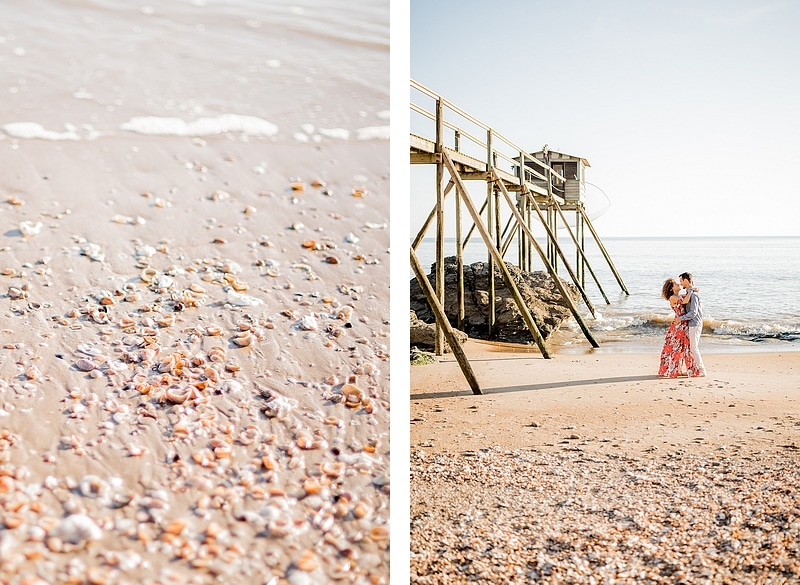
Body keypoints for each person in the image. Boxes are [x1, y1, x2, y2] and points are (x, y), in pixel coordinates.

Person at [658, 278, 699, 378]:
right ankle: (673, 370)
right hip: (678, 325)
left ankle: (685, 370)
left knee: (684, 347)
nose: (679, 284)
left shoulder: (678, 296)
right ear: (672, 288)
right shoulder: (673, 297)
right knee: (676, 347)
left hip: (683, 323)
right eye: (676, 284)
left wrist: (692, 289)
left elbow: (689, 297)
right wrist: (691, 290)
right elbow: (685, 301)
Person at [676, 272, 706, 377]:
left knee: (694, 348)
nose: (680, 283)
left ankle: (702, 370)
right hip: (692, 324)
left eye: (681, 281)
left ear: (686, 280)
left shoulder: (694, 294)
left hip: (694, 323)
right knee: (692, 348)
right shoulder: (690, 292)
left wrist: (681, 318)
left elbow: (693, 312)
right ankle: (695, 370)